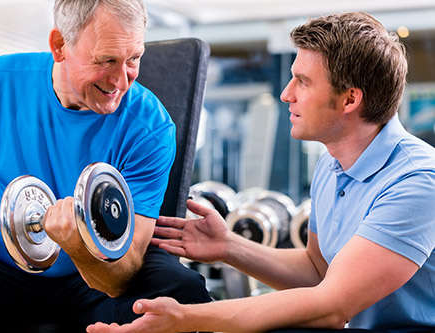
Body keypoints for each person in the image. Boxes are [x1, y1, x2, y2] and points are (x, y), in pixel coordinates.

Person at [86, 12, 435, 333]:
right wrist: (228, 246)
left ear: (349, 100)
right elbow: (317, 271)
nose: (286, 95)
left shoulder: (418, 181)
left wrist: (186, 317)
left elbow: (332, 306)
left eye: (303, 82)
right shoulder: (332, 163)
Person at [0, 0, 211, 331]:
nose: (121, 81)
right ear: (60, 46)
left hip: (95, 281)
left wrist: (79, 248)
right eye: (106, 60)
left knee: (184, 291)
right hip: (1, 268)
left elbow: (125, 269)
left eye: (134, 59)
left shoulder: (149, 127)